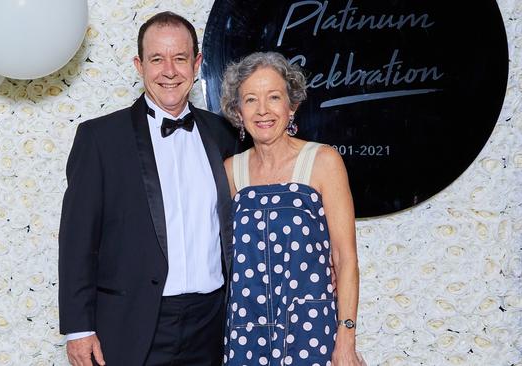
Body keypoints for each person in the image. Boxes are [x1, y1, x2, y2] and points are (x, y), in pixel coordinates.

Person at [58, 11, 238, 366]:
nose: (169, 71)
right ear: (139, 66)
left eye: (180, 58)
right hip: (133, 322)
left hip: (213, 323)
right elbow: (77, 239)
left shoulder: (225, 135)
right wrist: (79, 329)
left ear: (197, 63)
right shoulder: (100, 139)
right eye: (157, 59)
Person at [220, 51, 365, 365]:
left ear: (292, 105)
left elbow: (345, 257)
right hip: (247, 331)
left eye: (273, 97)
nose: (263, 111)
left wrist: (346, 337)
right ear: (237, 111)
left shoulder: (323, 162)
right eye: (250, 100)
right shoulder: (231, 172)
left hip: (311, 329)